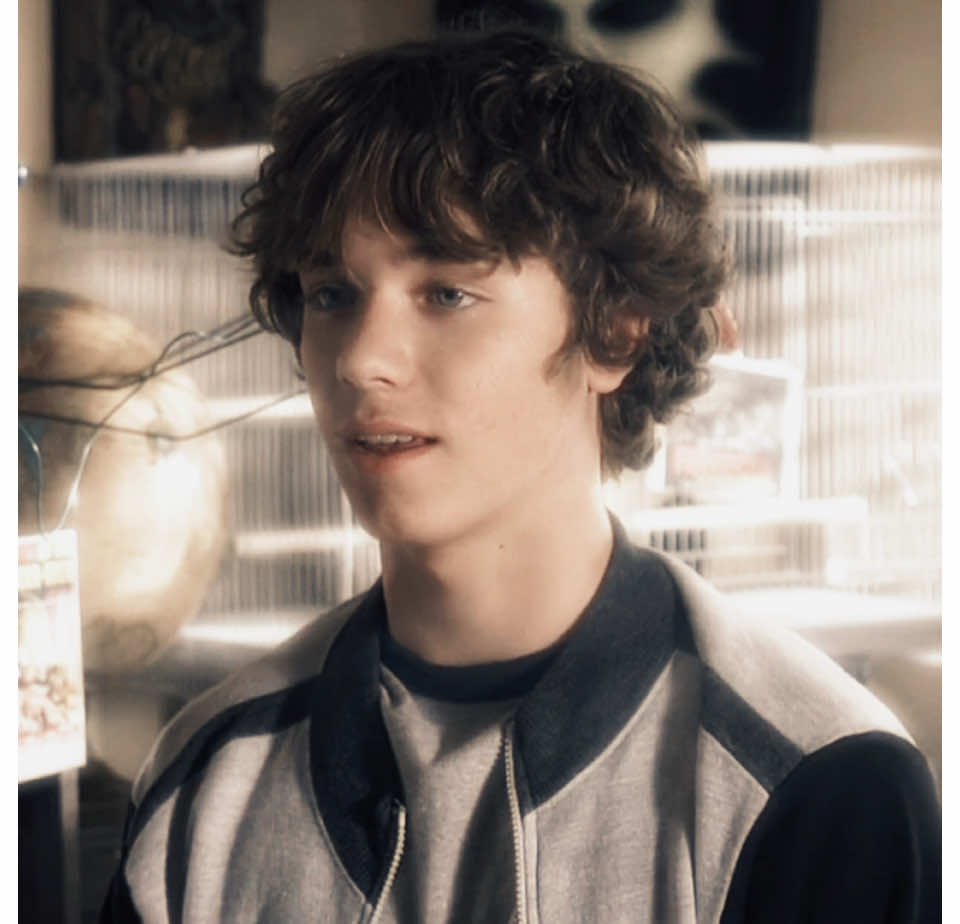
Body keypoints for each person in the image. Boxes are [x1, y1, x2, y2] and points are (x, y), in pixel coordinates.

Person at [101, 29, 940, 923]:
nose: (360, 361)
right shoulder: (203, 785)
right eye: (332, 295)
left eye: (447, 293)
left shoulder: (820, 785)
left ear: (616, 331)